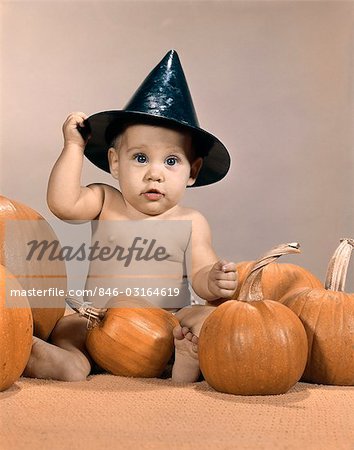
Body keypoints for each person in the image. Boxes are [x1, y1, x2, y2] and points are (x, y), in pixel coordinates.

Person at [23, 50, 237, 383]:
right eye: (140, 158)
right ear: (115, 163)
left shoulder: (191, 220)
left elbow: (200, 273)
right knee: (68, 329)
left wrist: (213, 279)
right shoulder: (105, 201)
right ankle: (51, 357)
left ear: (192, 172)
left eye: (171, 162)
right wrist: (73, 147)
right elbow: (63, 204)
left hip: (160, 329)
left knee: (207, 316)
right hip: (97, 323)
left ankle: (183, 358)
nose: (155, 174)